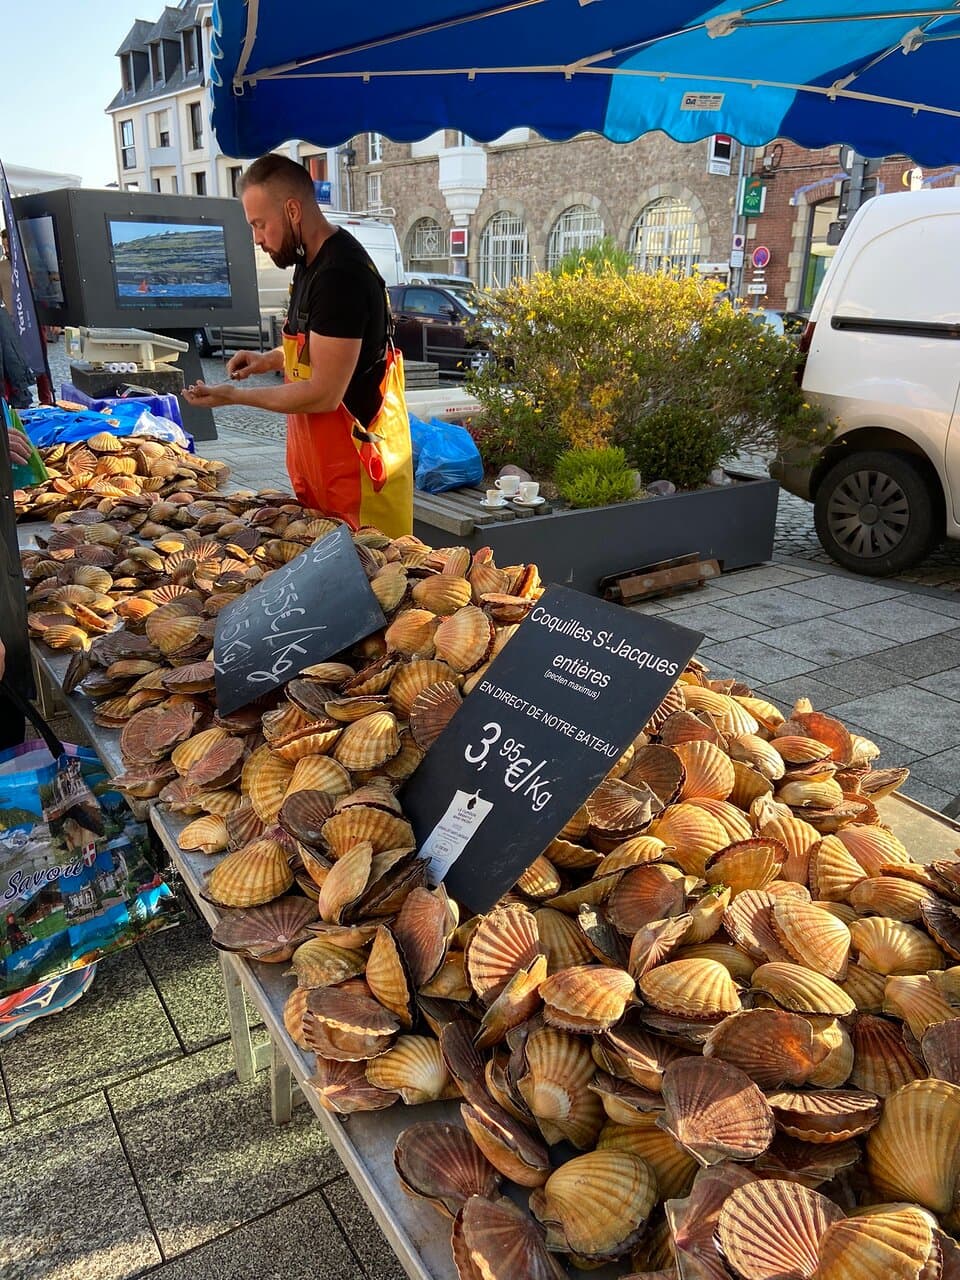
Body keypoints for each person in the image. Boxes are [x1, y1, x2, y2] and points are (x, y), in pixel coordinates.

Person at [182, 154, 413, 537]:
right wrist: (266, 359)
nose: (257, 238)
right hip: (324, 476)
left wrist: (234, 397)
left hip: (360, 486)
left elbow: (324, 393)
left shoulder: (341, 275)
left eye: (260, 224)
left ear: (292, 210)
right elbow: (321, 349)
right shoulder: (309, 263)